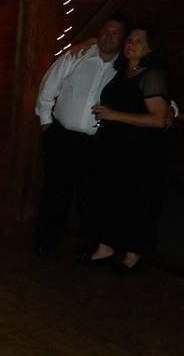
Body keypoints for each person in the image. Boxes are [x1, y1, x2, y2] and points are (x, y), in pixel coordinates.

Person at [34, 15, 128, 255]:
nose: (109, 35)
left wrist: (171, 110)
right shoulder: (78, 55)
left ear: (123, 38)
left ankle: (90, 247)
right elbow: (48, 87)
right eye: (106, 30)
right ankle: (45, 243)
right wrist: (46, 123)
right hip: (64, 137)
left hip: (100, 142)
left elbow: (150, 92)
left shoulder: (127, 67)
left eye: (115, 32)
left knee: (94, 197)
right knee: (55, 193)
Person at [84, 25, 170, 273]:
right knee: (110, 197)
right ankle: (107, 244)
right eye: (129, 40)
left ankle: (134, 252)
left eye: (138, 41)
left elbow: (157, 118)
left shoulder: (153, 75)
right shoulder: (122, 71)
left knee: (137, 200)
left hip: (141, 151)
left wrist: (114, 115)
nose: (131, 44)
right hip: (115, 147)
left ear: (150, 47)